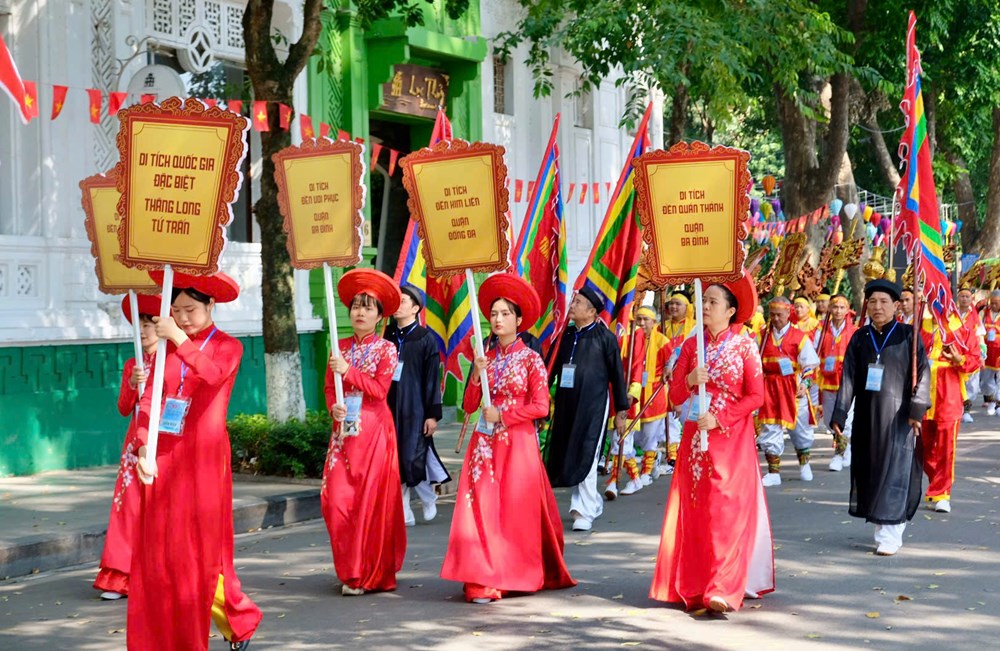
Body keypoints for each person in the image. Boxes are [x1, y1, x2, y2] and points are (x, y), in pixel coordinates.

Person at [129, 271, 261, 651]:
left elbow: (212, 375)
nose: (182, 317)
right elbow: (149, 401)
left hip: (203, 460)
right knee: (162, 551)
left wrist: (179, 339)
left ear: (210, 307)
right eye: (176, 310)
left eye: (190, 309)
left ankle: (234, 620)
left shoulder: (228, 347)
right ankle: (162, 635)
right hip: (165, 455)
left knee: (198, 551)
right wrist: (142, 446)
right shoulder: (166, 351)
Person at [441, 274, 576, 603]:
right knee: (481, 508)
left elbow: (541, 406)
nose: (498, 320)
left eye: (505, 314)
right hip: (484, 446)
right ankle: (482, 576)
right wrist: (476, 374)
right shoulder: (485, 359)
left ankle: (513, 572)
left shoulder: (530, 358)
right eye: (494, 314)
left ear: (518, 320)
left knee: (513, 510)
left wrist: (504, 416)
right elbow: (470, 406)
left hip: (517, 445)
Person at [649, 271, 774, 613]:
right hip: (694, 439)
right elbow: (674, 395)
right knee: (697, 508)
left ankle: (723, 585)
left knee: (727, 507)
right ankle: (696, 581)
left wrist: (721, 418)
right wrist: (689, 378)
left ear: (731, 310)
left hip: (731, 438)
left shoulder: (745, 344)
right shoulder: (692, 345)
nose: (705, 307)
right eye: (703, 301)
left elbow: (756, 396)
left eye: (713, 302)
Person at [322, 269, 406, 596]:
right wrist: (334, 408)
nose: (360, 312)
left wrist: (349, 371)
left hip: (374, 433)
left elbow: (379, 390)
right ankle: (349, 567)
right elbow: (330, 389)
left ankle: (364, 573)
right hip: (344, 432)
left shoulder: (387, 350)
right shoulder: (337, 347)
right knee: (336, 501)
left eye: (368, 307)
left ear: (380, 316)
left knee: (370, 503)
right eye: (357, 306)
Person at [831, 279, 930, 556]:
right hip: (866, 414)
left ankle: (891, 531)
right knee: (872, 469)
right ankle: (881, 526)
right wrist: (840, 413)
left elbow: (923, 374)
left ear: (897, 306)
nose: (878, 307)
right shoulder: (860, 337)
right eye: (872, 301)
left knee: (895, 470)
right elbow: (848, 377)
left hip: (899, 416)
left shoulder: (908, 336)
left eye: (884, 302)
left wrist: (917, 411)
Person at [545, 286, 630, 532]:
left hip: (593, 405)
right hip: (566, 403)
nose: (572, 305)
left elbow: (617, 376)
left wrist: (621, 412)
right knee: (570, 451)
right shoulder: (565, 336)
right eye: (573, 301)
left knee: (587, 452)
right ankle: (591, 502)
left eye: (578, 302)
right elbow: (549, 371)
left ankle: (582, 510)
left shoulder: (605, 338)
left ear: (592, 311)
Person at [93, 293, 160, 601]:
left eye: (150, 324)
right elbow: (123, 408)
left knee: (161, 510)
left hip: (164, 442)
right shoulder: (133, 363)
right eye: (140, 324)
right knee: (128, 508)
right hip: (134, 445)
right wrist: (133, 383)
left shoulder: (174, 359)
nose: (144, 330)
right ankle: (119, 576)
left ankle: (159, 575)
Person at [384, 284, 451, 527]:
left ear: (415, 307)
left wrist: (432, 414)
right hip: (389, 405)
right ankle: (405, 511)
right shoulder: (387, 335)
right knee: (394, 458)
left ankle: (425, 495)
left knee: (412, 456)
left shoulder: (425, 338)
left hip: (415, 407)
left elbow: (432, 379)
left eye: (403, 301)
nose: (398, 305)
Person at [919, 306, 980, 513]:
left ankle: (942, 493)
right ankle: (937, 483)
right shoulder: (919, 327)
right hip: (922, 395)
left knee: (946, 449)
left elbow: (975, 360)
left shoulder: (960, 329)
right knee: (922, 448)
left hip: (949, 396)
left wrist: (959, 360)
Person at [757, 296, 820, 486]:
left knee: (800, 428)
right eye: (772, 314)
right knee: (770, 427)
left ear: (788, 313)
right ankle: (774, 472)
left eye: (779, 315)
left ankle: (804, 463)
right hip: (769, 387)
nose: (775, 318)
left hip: (793, 387)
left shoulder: (799, 336)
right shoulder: (762, 335)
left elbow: (809, 364)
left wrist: (805, 384)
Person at [631, 305, 673, 484]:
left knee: (649, 435)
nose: (641, 323)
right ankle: (653, 459)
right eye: (638, 319)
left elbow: (672, 362)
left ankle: (646, 472)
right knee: (638, 437)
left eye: (645, 320)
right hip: (634, 393)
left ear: (654, 322)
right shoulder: (631, 340)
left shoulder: (662, 341)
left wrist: (668, 368)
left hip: (654, 393)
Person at [815, 295, 857, 472]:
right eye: (835, 307)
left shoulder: (854, 332)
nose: (838, 311)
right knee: (829, 420)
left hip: (847, 383)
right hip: (827, 381)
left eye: (842, 307)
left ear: (847, 310)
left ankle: (838, 454)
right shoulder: (821, 331)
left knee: (844, 421)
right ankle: (846, 447)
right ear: (830, 309)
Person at [604, 319, 644, 499]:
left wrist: (632, 392)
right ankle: (634, 478)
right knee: (616, 439)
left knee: (621, 441)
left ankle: (615, 480)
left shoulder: (635, 333)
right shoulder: (608, 325)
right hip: (609, 392)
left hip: (624, 393)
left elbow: (636, 365)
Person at [662, 291, 696, 469]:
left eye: (678, 304)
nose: (673, 307)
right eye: (671, 303)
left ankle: (684, 452)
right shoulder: (662, 326)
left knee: (682, 415)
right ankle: (671, 456)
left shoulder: (695, 327)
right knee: (667, 415)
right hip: (664, 375)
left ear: (687, 308)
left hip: (686, 378)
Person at [956, 287, 986, 423]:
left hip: (972, 354)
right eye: (962, 296)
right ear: (958, 298)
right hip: (956, 354)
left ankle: (967, 409)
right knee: (957, 383)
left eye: (967, 296)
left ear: (971, 299)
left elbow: (980, 336)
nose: (964, 299)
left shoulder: (975, 316)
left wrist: (982, 355)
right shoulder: (952, 314)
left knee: (972, 386)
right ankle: (960, 409)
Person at [980, 290, 1000, 415]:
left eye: (996, 303)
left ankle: (997, 404)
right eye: (992, 303)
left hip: (999, 352)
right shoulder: (984, 313)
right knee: (986, 382)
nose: (993, 306)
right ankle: (991, 399)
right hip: (987, 352)